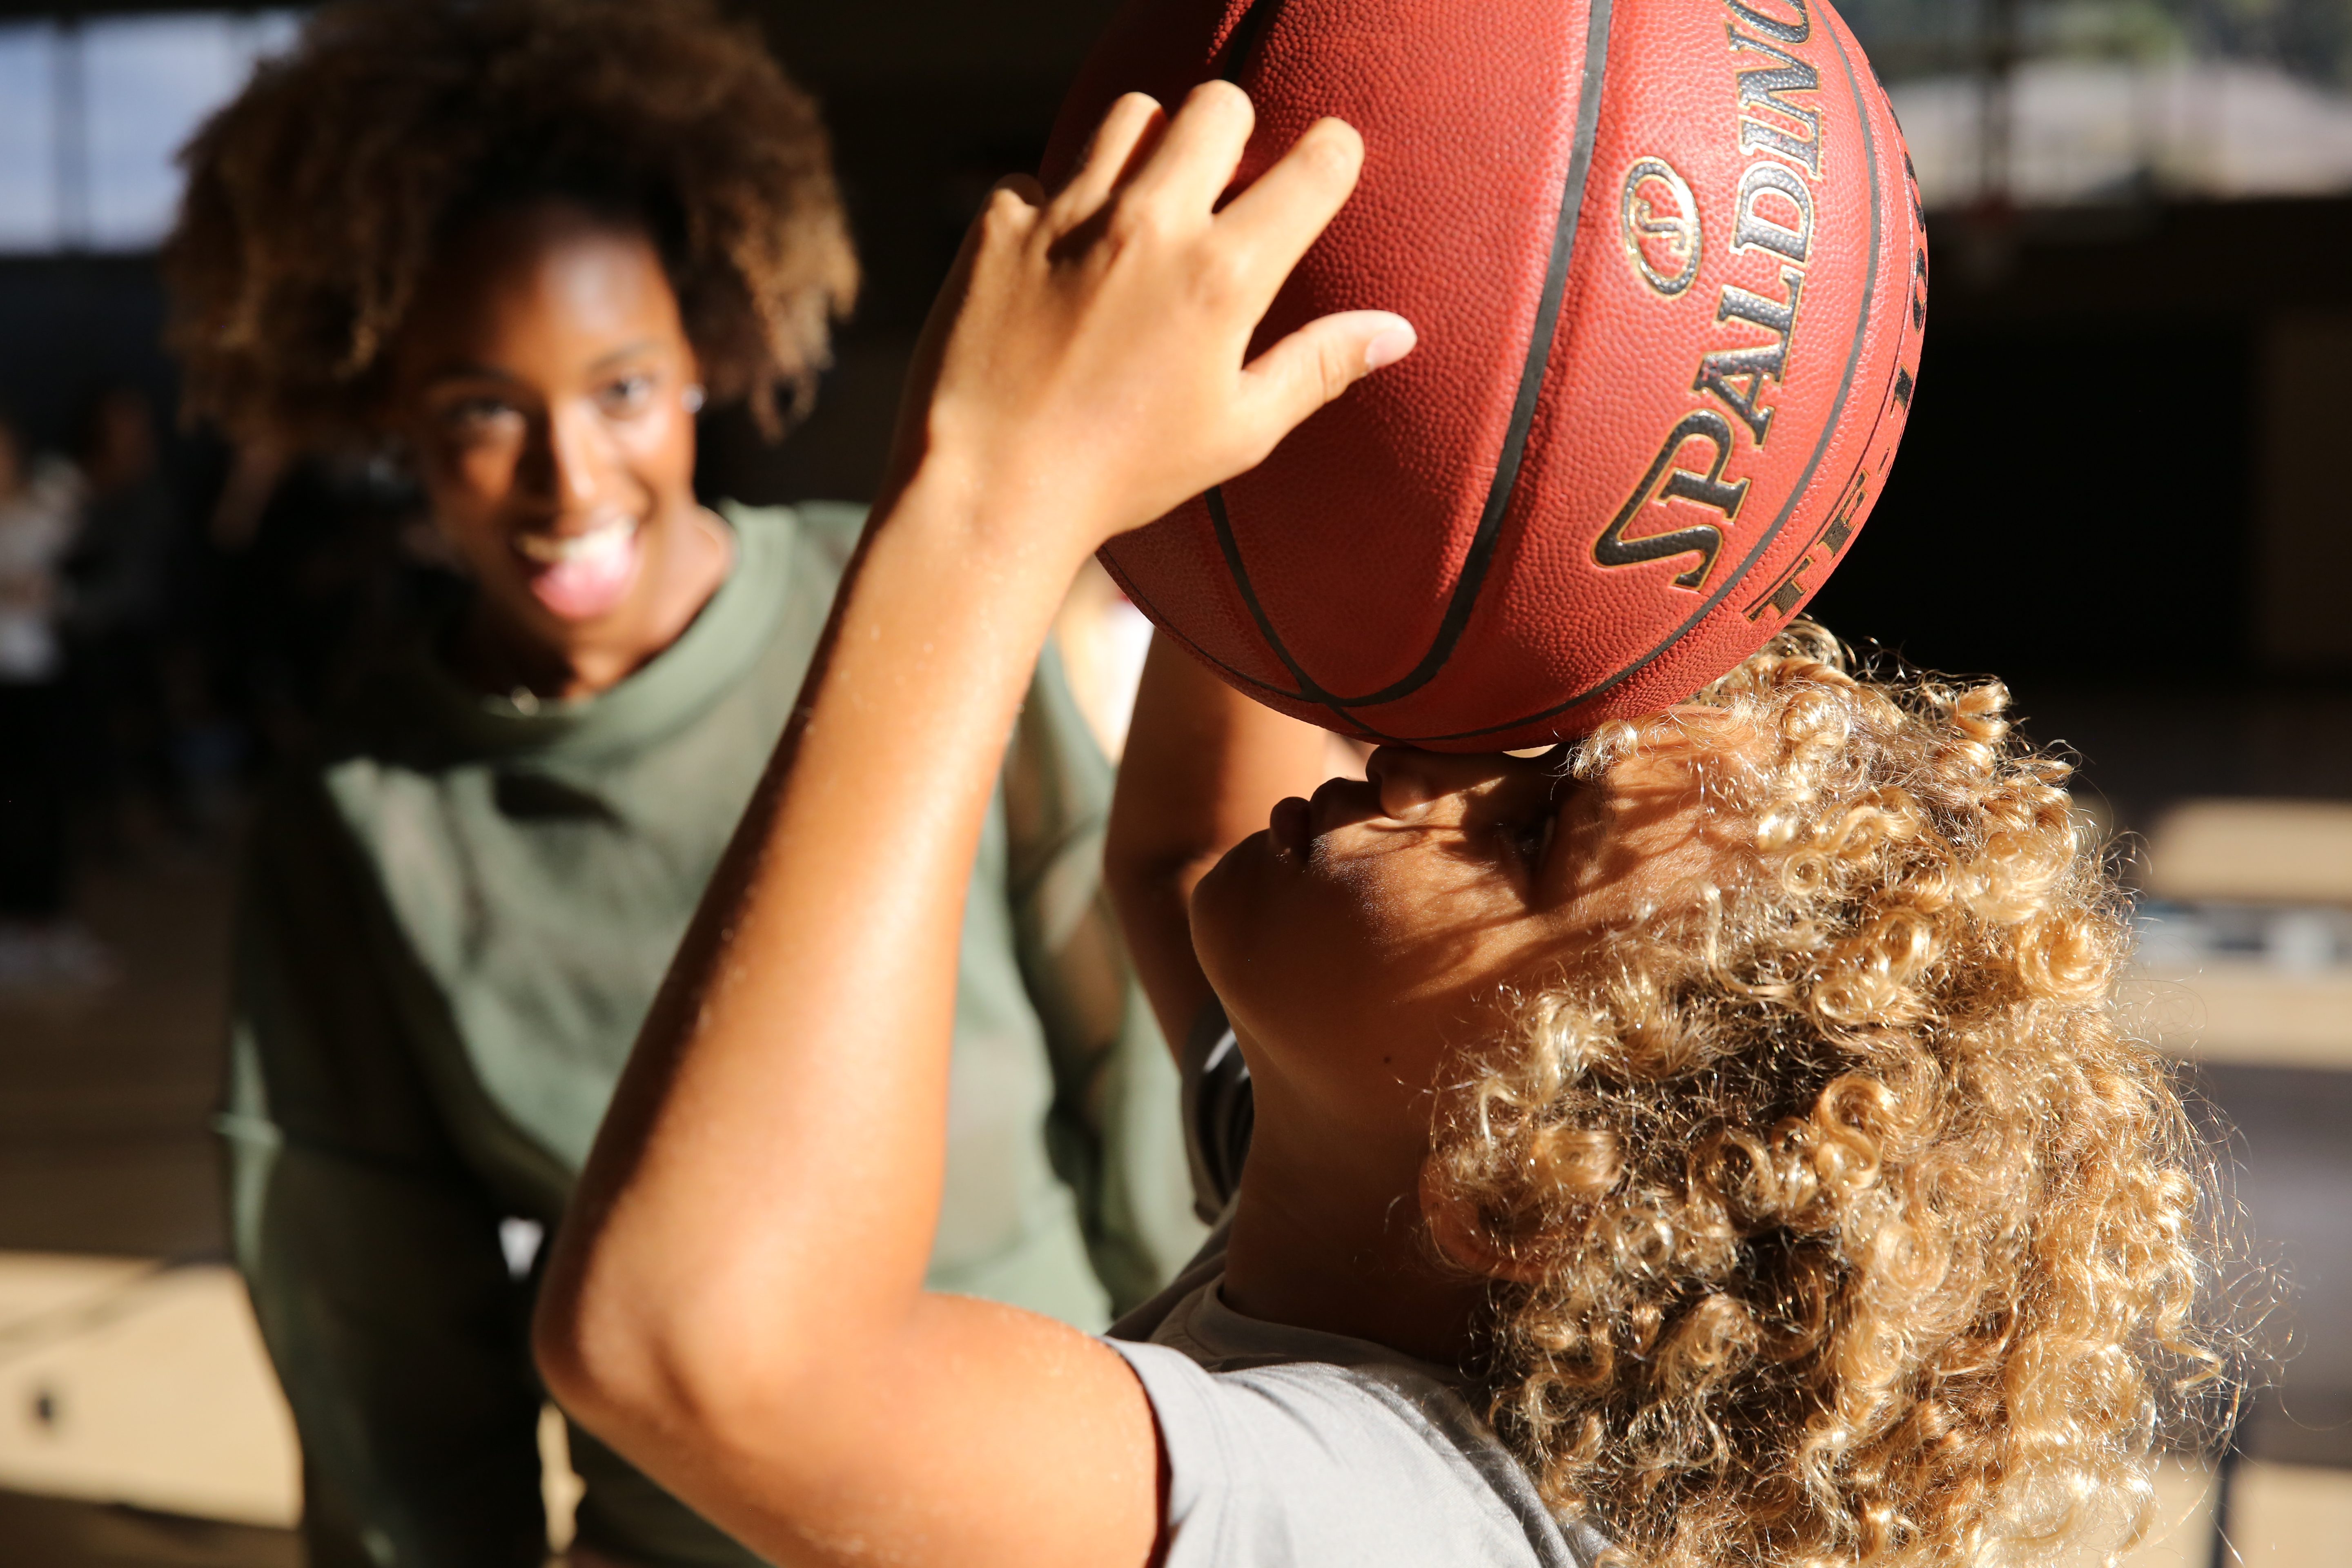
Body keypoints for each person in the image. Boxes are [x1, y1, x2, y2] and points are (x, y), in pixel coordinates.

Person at [532, 81, 2235, 1568]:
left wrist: (993, 494)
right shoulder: (1395, 1232)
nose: (1447, 764)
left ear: (1533, 1181)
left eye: (1534, 829)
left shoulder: (1387, 1516)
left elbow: (705, 1350)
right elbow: (1183, 853)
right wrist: (1350, 406)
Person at [164, 3, 1199, 1564]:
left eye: (623, 391)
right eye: (482, 413)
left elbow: (1125, 1053)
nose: (571, 478)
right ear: (389, 416)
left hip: (1049, 1487)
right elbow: (381, 1338)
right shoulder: (361, 813)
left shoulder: (891, 600)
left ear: (708, 359)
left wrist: (1200, 1427)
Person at [0, 408, 112, 989]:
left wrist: (53, 592)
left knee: (45, 804)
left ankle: (47, 920)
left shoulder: (49, 508)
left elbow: (92, 576)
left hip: (41, 678)